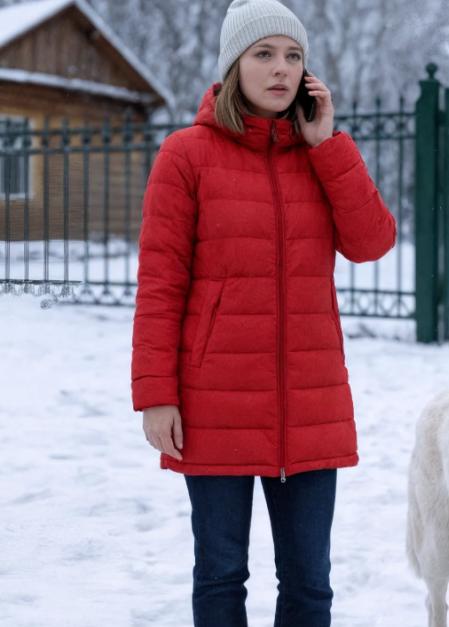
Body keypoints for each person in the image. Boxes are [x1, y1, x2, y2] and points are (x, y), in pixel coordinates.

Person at [130, 1, 397, 625]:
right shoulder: (186, 155)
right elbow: (161, 285)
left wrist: (328, 146)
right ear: (233, 65)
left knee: (310, 586)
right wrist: (155, 394)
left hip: (310, 403)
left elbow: (372, 242)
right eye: (264, 54)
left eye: (293, 56)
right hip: (213, 402)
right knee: (221, 578)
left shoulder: (320, 153)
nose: (281, 69)